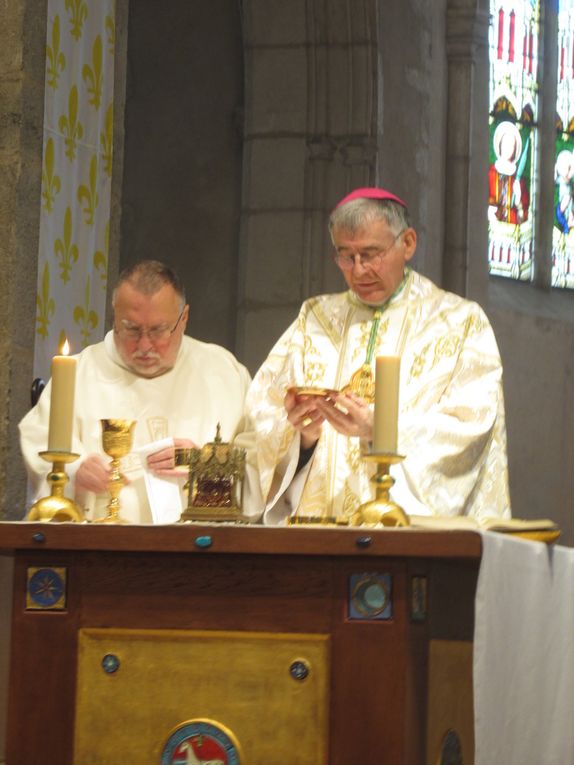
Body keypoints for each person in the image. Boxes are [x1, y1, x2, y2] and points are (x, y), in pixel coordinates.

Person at [238, 187, 511, 525]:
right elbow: (262, 415)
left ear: (408, 243)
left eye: (371, 253)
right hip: (317, 531)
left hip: (409, 533)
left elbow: (472, 426)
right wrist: (301, 436)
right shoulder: (315, 319)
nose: (358, 270)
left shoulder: (459, 322)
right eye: (345, 255)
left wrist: (381, 429)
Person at [19, 260, 251, 523]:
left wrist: (206, 463)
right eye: (131, 329)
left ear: (183, 318)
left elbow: (261, 465)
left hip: (202, 547)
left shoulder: (223, 373)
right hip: (99, 548)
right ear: (114, 316)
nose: (144, 345)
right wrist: (74, 471)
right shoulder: (79, 373)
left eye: (158, 330)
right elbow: (39, 439)